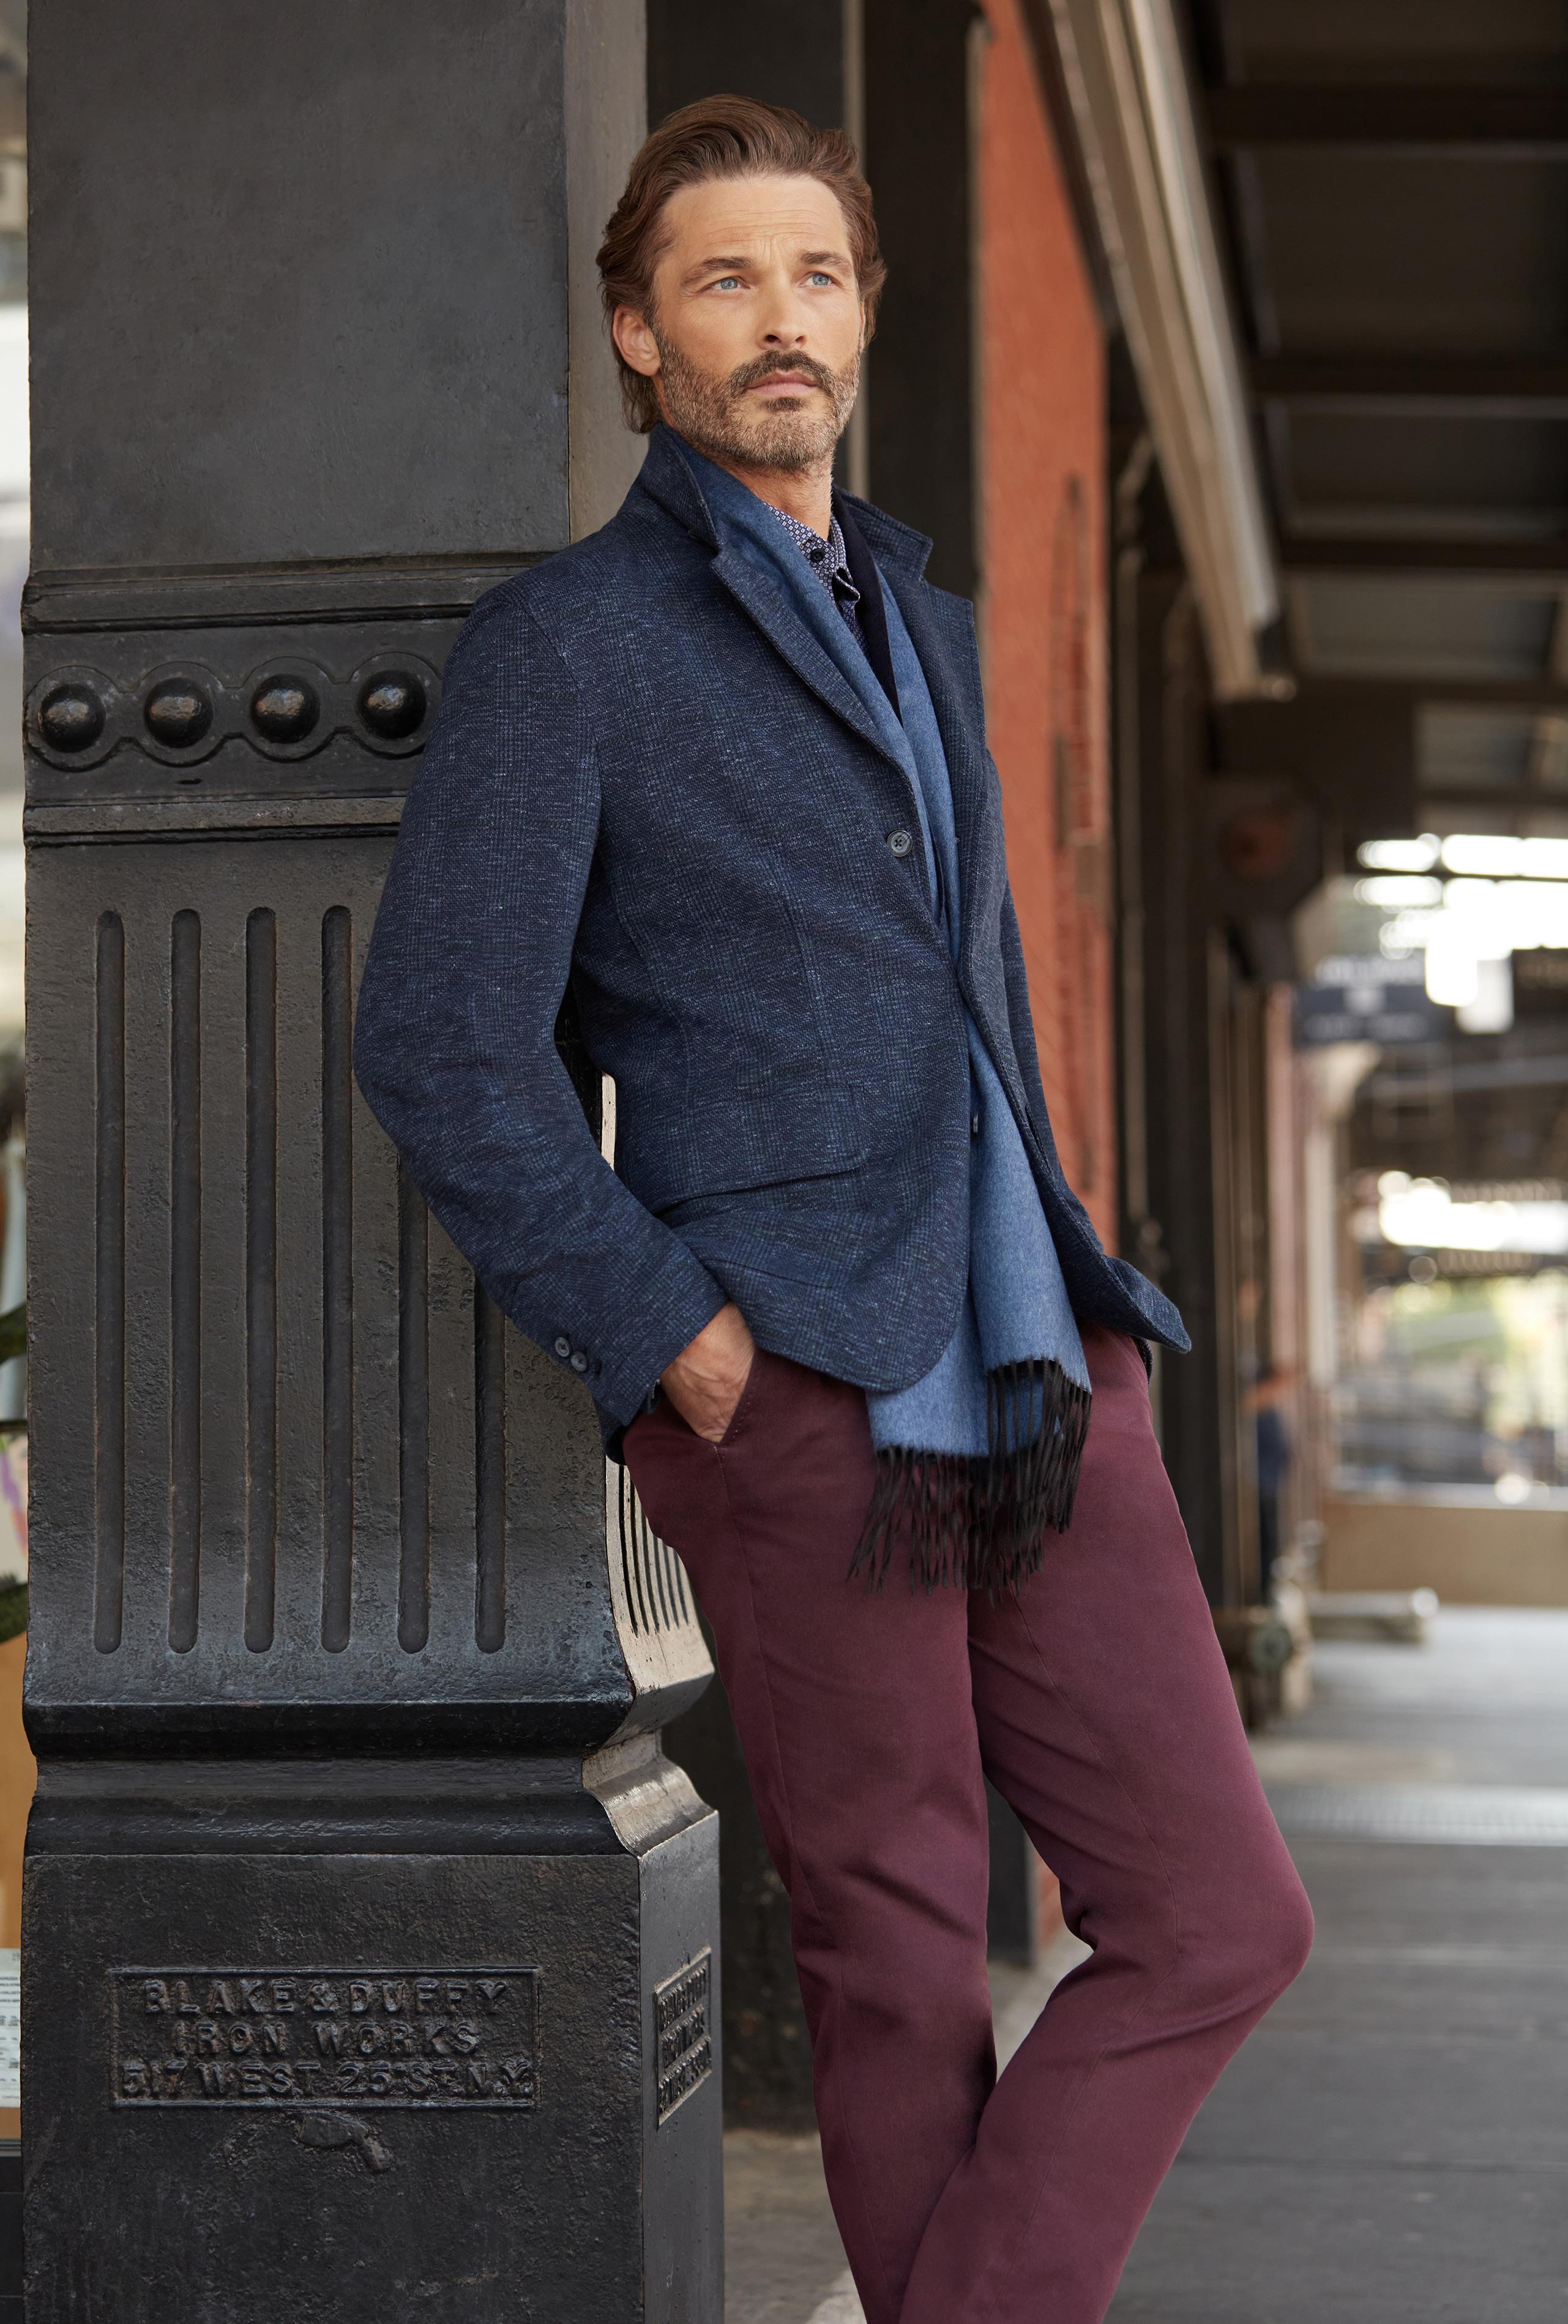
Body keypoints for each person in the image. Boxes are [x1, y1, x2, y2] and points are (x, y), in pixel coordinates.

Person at [353, 95, 1313, 2324]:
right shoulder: (572, 646)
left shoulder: (922, 620)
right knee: (894, 1962)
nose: (777, 318)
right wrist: (672, 1335)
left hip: (1030, 1351)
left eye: (812, 274)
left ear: (863, 312)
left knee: (1215, 1915)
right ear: (639, 336)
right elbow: (442, 1044)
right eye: (722, 280)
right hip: (789, 1373)